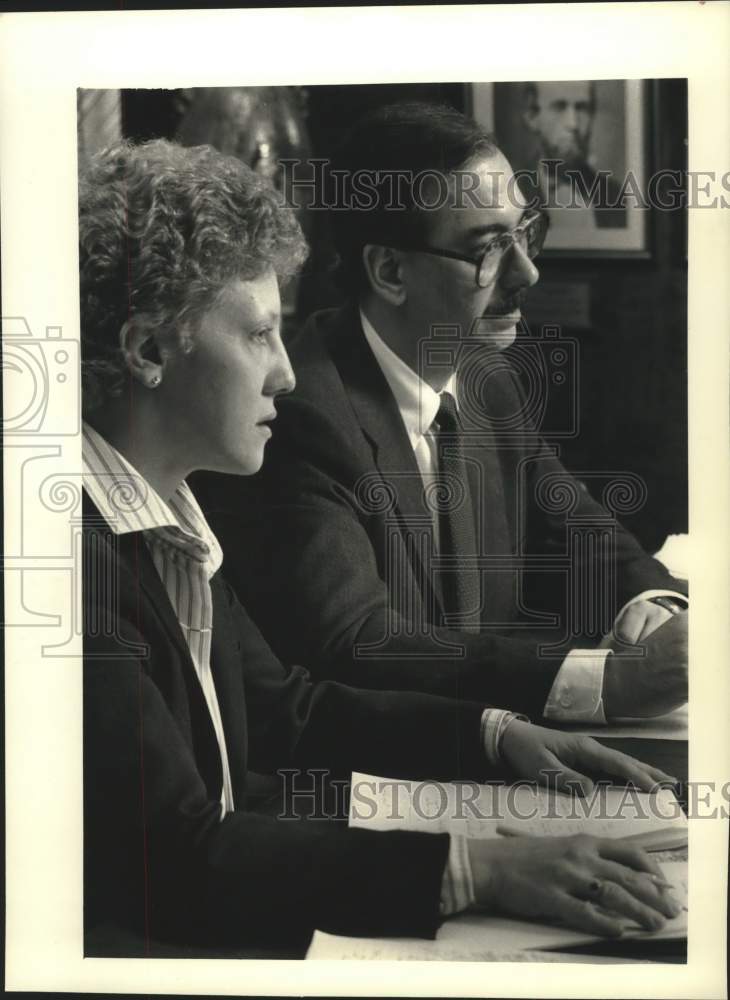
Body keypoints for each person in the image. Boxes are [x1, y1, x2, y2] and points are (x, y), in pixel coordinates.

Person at [80, 138, 681, 956]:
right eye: (259, 337)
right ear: (148, 351)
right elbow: (178, 854)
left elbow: (284, 705)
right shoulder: (72, 566)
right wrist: (475, 870)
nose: (286, 376)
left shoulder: (164, 511)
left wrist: (496, 734)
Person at [195, 101, 688, 723]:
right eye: (489, 249)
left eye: (525, 233)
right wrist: (608, 683)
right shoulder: (300, 416)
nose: (527, 272)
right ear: (390, 270)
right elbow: (358, 643)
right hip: (368, 783)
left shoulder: (485, 377)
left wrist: (654, 600)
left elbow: (578, 527)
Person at [520, 80, 626, 230]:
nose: (573, 124)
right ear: (532, 117)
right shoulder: (512, 192)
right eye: (559, 107)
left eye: (582, 108)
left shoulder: (617, 197)